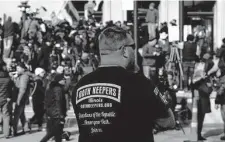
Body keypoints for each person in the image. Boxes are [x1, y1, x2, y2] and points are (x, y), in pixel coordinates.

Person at [72, 26, 174, 142]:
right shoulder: (139, 83)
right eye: (133, 47)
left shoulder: (80, 85)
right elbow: (168, 121)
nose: (135, 52)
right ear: (125, 50)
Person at [40, 74, 67, 142]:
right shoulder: (58, 89)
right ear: (59, 81)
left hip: (51, 113)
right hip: (57, 114)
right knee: (54, 132)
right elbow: (58, 102)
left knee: (57, 133)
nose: (64, 80)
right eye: (63, 79)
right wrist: (61, 115)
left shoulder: (51, 88)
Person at [11, 62, 30, 136]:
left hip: (21, 97)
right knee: (21, 114)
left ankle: (14, 130)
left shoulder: (24, 77)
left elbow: (22, 89)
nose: (17, 70)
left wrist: (18, 99)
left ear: (23, 69)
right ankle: (26, 129)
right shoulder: (21, 76)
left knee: (16, 114)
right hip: (21, 97)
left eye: (18, 68)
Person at [0, 60, 13, 139]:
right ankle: (6, 133)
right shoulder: (8, 79)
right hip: (5, 98)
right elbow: (10, 89)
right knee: (6, 116)